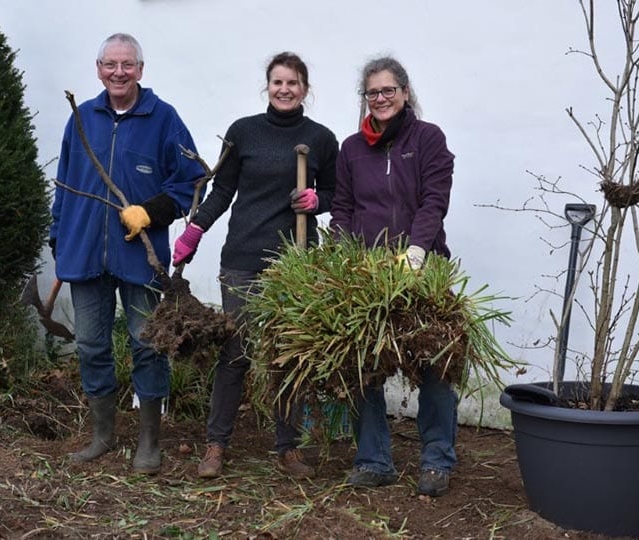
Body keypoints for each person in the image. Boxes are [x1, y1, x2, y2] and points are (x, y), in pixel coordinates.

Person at [171, 52, 339, 479]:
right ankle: (215, 445)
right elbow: (222, 190)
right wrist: (195, 230)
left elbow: (339, 196)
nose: (284, 89)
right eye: (277, 82)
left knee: (288, 356)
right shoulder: (243, 132)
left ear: (305, 89)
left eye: (293, 83)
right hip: (243, 259)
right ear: (268, 86)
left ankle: (288, 449)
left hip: (294, 263)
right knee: (236, 353)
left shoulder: (321, 139)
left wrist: (319, 202)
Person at [49, 33, 202, 474]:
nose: (119, 73)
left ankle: (149, 443)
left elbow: (192, 181)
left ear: (140, 69)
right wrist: (59, 236)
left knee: (147, 344)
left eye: (128, 65)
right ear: (98, 69)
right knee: (91, 344)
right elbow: (64, 182)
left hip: (141, 257)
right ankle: (102, 435)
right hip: (84, 254)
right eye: (110, 64)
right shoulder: (81, 119)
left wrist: (150, 212)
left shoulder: (164, 119)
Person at [330, 56, 457, 496]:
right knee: (364, 367)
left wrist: (417, 253)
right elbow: (343, 208)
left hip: (422, 269)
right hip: (367, 273)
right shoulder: (351, 148)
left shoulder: (427, 139)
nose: (380, 99)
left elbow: (434, 200)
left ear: (404, 93)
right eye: (372, 92)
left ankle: (437, 461)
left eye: (388, 90)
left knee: (435, 364)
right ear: (364, 98)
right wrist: (343, 256)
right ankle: (374, 459)